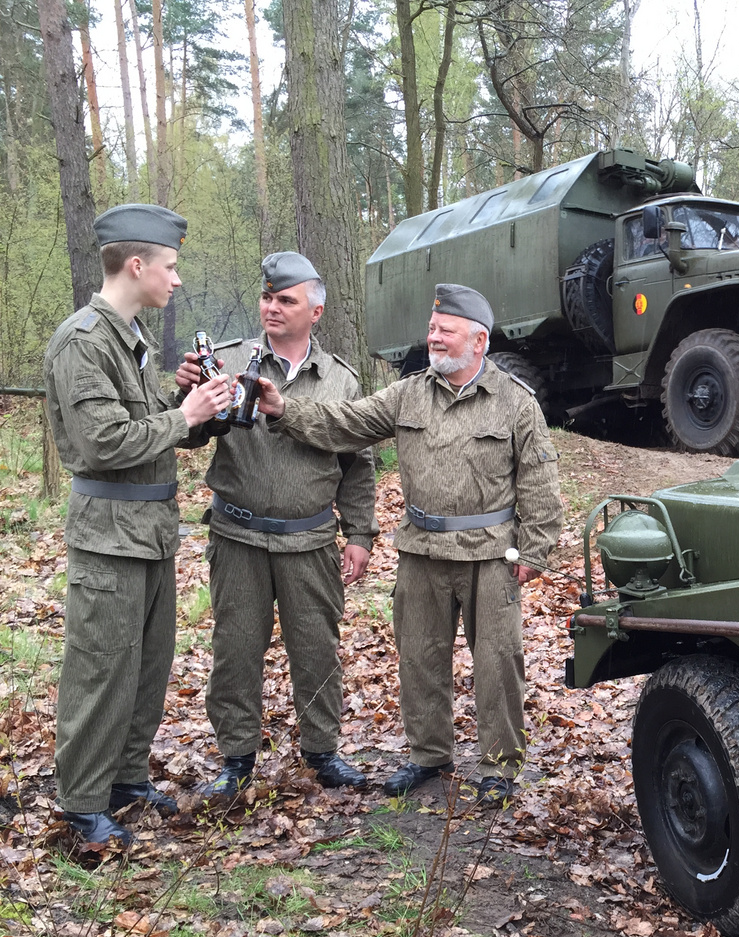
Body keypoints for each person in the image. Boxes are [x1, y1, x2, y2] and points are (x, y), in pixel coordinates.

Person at [252, 284, 562, 799]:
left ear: (479, 340)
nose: (433, 338)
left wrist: (534, 550)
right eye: (432, 328)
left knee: (498, 664)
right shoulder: (409, 393)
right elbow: (346, 423)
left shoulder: (515, 403)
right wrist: (285, 410)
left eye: (445, 331)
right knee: (420, 659)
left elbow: (540, 483)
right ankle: (429, 758)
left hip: (490, 557)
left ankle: (500, 769)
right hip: (420, 552)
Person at [43, 204, 232, 846]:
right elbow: (103, 443)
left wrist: (190, 405)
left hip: (147, 534)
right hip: (108, 538)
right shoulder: (84, 341)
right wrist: (184, 416)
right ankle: (82, 804)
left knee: (146, 667)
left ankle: (124, 780)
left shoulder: (128, 339)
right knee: (99, 671)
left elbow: (149, 431)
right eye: (170, 267)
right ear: (136, 265)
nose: (176, 279)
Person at [174, 252, 377, 796]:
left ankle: (322, 752)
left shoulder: (339, 379)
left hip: (310, 539)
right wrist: (187, 396)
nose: (272, 307)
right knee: (236, 647)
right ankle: (236, 760)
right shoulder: (228, 360)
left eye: (286, 299)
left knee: (316, 649)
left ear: (316, 310)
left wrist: (359, 534)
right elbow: (189, 436)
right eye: (267, 297)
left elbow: (356, 463)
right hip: (237, 535)